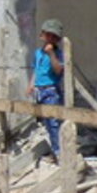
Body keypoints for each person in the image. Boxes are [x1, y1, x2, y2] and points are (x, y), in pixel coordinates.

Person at [25, 19, 66, 162]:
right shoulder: (38, 53)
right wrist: (31, 84)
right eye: (48, 35)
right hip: (39, 91)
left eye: (54, 37)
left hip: (51, 91)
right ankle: (55, 152)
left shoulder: (58, 54)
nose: (50, 39)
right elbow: (36, 70)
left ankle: (60, 153)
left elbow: (59, 70)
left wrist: (52, 55)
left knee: (54, 123)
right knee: (48, 124)